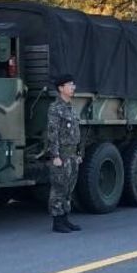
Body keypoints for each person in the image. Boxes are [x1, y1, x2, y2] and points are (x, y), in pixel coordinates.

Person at [46, 74, 82, 233]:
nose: (73, 87)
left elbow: (77, 133)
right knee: (59, 188)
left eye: (73, 84)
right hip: (62, 155)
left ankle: (65, 218)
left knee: (69, 188)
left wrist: (79, 152)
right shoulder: (55, 109)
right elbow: (52, 134)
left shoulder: (71, 109)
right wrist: (55, 156)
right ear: (61, 88)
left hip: (72, 155)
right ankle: (57, 221)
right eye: (70, 84)